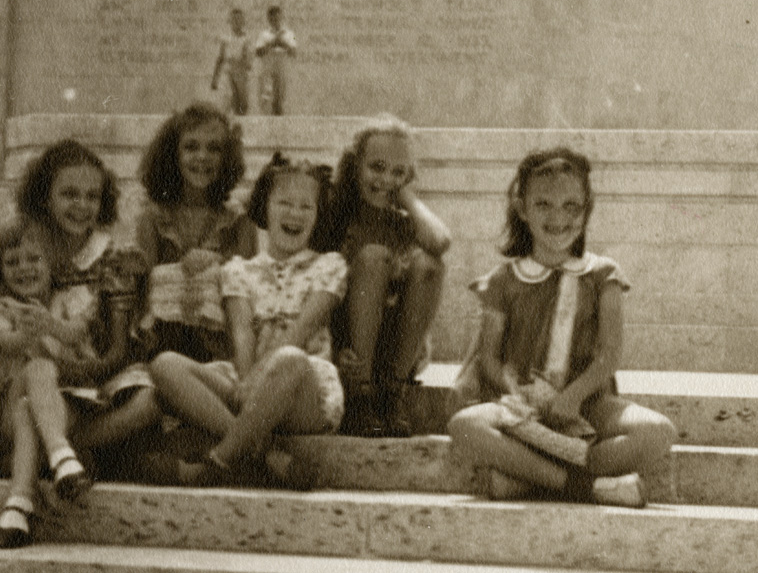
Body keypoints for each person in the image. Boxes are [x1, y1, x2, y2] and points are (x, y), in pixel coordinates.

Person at [447, 147, 677, 508]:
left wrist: (572, 398)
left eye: (572, 206)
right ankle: (585, 488)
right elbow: (488, 357)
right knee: (465, 424)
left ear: (586, 210)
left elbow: (609, 354)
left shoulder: (603, 275)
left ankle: (528, 477)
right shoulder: (503, 280)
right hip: (522, 409)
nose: (559, 217)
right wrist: (515, 389)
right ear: (523, 208)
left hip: (585, 403)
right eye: (544, 205)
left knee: (658, 432)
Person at [0, 140, 159, 548]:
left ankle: (20, 503)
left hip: (87, 380)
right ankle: (62, 455)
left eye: (92, 196)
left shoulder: (114, 261)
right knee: (33, 390)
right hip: (32, 379)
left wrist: (74, 372)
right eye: (69, 194)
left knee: (149, 401)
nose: (81, 205)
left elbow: (116, 353)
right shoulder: (23, 249)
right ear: (44, 196)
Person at [149, 153, 345, 490]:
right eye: (284, 202)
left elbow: (302, 329)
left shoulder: (329, 265)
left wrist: (257, 378)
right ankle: (265, 455)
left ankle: (216, 462)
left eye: (306, 207)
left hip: (302, 391)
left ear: (317, 215)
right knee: (165, 365)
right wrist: (246, 379)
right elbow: (241, 332)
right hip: (247, 378)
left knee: (290, 359)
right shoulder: (238, 270)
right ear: (264, 208)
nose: (294, 214)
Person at [323, 115, 451, 437]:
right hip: (346, 347)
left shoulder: (403, 222)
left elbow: (440, 242)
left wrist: (406, 196)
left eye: (399, 172)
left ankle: (394, 393)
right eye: (376, 167)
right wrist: (332, 349)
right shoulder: (334, 215)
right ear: (355, 166)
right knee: (374, 257)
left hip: (391, 350)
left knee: (430, 266)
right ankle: (359, 398)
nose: (386, 179)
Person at [136, 102, 257, 364]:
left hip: (221, 351)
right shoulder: (153, 219)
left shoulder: (239, 221)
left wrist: (217, 261)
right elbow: (142, 291)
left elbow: (250, 286)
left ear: (226, 158)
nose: (202, 156)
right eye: (191, 147)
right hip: (162, 348)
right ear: (173, 154)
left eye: (214, 148)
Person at [254, 6, 296, 115]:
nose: (275, 22)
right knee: (267, 97)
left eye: (277, 19)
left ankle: (280, 123)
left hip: (282, 66)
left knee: (280, 97)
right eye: (272, 19)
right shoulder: (263, 34)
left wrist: (282, 42)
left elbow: (294, 52)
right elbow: (258, 52)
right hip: (268, 67)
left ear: (281, 18)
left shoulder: (289, 34)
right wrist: (272, 43)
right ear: (268, 19)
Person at [210, 8, 252, 116]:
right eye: (234, 20)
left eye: (239, 19)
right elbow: (220, 58)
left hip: (241, 72)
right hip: (227, 71)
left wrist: (244, 63)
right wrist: (215, 78)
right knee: (227, 99)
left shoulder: (247, 38)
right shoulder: (225, 38)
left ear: (243, 21)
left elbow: (248, 59)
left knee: (242, 104)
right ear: (230, 21)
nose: (237, 22)